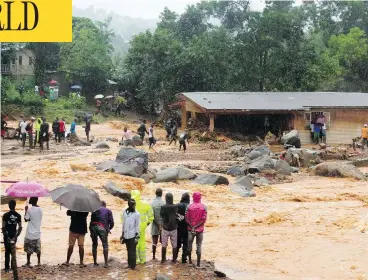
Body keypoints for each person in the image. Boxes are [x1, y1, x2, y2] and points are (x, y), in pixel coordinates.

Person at [130, 190, 154, 265]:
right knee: (142, 244)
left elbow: (123, 217)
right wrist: (146, 224)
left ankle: (136, 260)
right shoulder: (145, 204)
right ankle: (143, 260)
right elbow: (151, 216)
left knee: (134, 244)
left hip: (133, 228)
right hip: (142, 228)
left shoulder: (130, 204)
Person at [90, 201, 114, 268]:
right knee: (105, 245)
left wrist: (91, 231)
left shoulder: (94, 210)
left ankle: (95, 263)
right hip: (102, 227)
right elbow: (112, 223)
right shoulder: (108, 211)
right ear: (105, 205)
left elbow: (91, 221)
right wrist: (108, 229)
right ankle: (106, 263)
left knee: (94, 244)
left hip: (93, 227)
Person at [185, 192, 207, 267]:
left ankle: (190, 261)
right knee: (199, 245)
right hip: (200, 230)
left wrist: (192, 227)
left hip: (190, 229)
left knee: (189, 244)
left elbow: (186, 219)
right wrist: (197, 227)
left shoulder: (189, 207)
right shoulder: (204, 207)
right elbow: (203, 220)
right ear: (200, 197)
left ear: (193, 197)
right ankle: (198, 264)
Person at [2, 200, 22, 272]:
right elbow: (20, 227)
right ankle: (13, 268)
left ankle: (7, 268)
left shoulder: (5, 215)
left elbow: (3, 227)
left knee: (7, 252)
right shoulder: (18, 215)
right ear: (15, 205)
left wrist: (6, 237)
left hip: (7, 236)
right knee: (13, 252)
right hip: (14, 235)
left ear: (8, 206)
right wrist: (16, 236)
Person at [121, 199, 140, 270]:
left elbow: (137, 226)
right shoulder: (125, 212)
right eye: (132, 205)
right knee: (128, 250)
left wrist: (137, 237)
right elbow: (123, 223)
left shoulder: (137, 214)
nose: (134, 206)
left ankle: (133, 266)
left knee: (133, 251)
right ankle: (129, 264)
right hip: (126, 235)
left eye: (134, 205)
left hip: (133, 235)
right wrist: (122, 234)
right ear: (129, 205)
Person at [24, 197, 43, 267]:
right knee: (38, 249)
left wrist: (25, 210)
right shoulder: (41, 209)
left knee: (28, 250)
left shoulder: (29, 210)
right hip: (37, 233)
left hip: (30, 233)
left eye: (30, 199)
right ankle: (38, 262)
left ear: (32, 201)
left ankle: (28, 262)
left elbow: (26, 219)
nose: (29, 200)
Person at [160, 193, 178, 263]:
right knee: (174, 245)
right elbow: (177, 215)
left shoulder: (163, 207)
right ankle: (174, 260)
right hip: (173, 227)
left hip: (165, 228)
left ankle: (163, 259)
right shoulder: (176, 206)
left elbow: (161, 215)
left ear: (166, 198)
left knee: (164, 244)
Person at [151, 188, 165, 260]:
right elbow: (165, 215)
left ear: (155, 193)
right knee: (163, 242)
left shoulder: (152, 203)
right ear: (161, 194)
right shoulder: (164, 203)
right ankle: (163, 257)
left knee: (154, 241)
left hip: (155, 224)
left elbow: (151, 216)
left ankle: (153, 257)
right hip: (163, 225)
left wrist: (157, 224)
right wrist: (161, 225)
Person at [176, 193, 190, 263]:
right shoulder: (189, 206)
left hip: (178, 227)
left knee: (177, 243)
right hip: (187, 227)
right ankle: (184, 258)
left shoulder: (177, 205)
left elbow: (175, 216)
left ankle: (175, 257)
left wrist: (180, 219)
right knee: (185, 243)